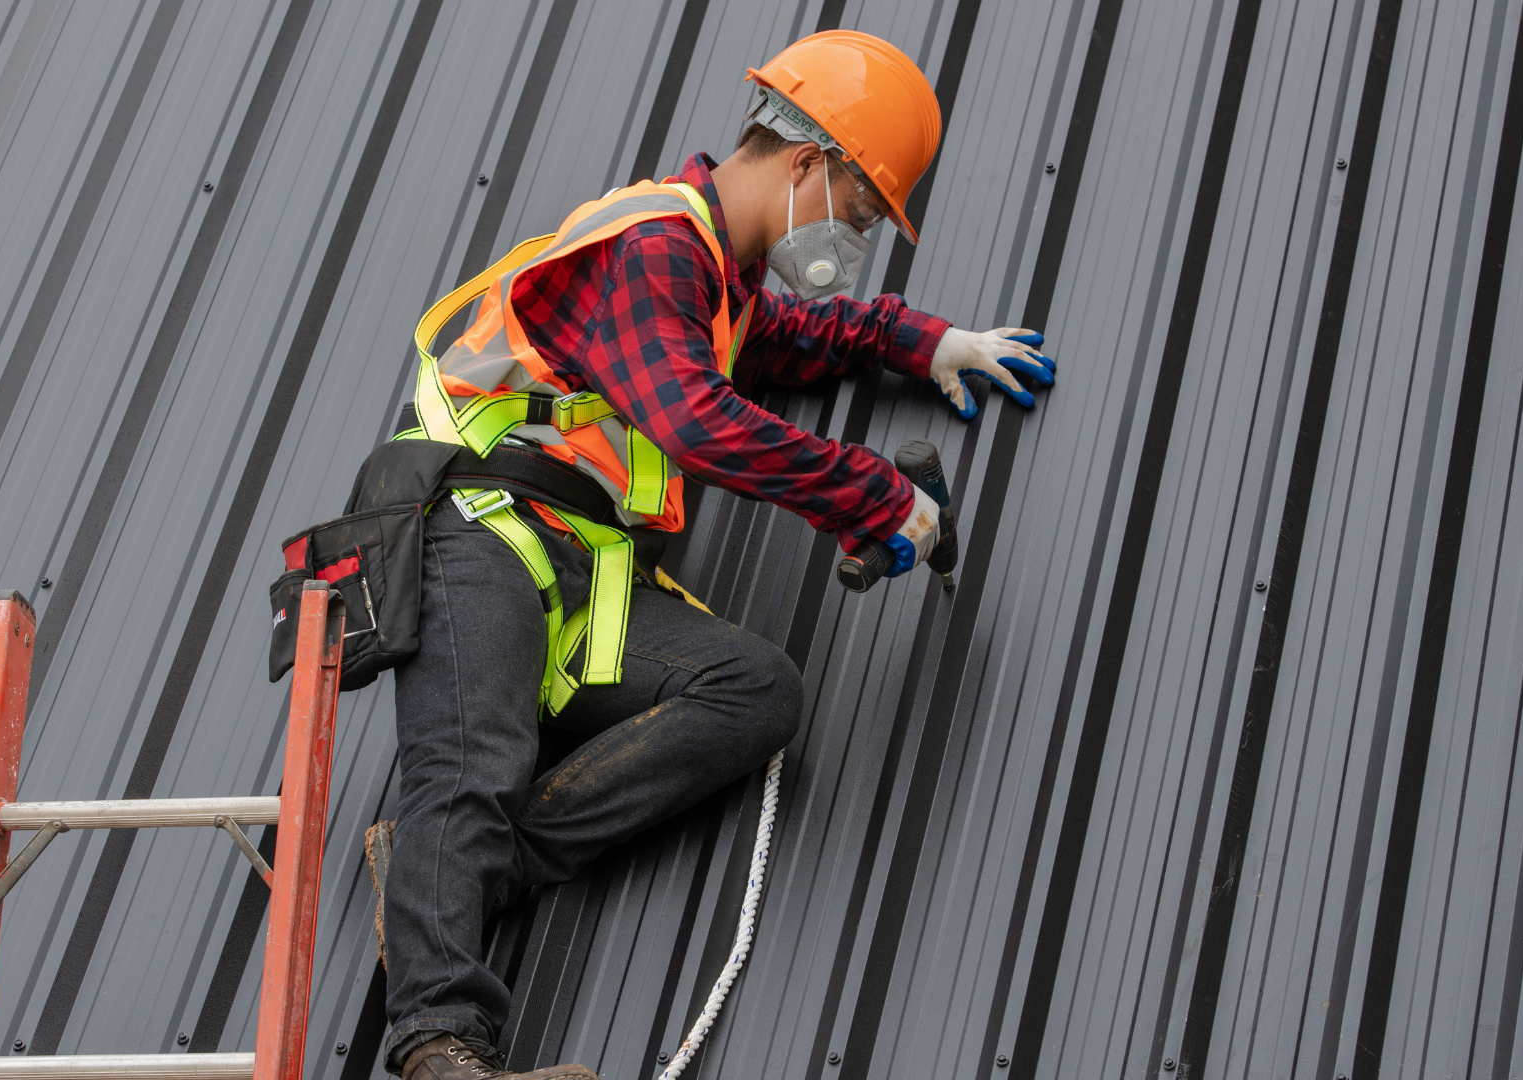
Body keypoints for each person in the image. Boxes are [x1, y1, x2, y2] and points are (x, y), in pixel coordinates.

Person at [381, 30, 1056, 1080]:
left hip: (581, 570)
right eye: (863, 213)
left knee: (756, 691)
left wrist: (924, 342)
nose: (857, 240)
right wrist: (872, 492)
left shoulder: (716, 286)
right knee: (469, 768)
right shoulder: (653, 245)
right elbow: (697, 422)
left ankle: (449, 883)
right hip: (479, 528)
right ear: (803, 166)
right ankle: (440, 1047)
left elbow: (797, 340)